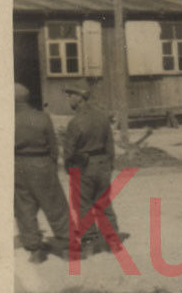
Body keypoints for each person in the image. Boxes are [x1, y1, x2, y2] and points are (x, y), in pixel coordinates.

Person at [63, 80, 124, 253]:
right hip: (103, 165)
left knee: (83, 204)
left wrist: (69, 169)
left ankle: (89, 240)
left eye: (71, 95)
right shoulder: (102, 118)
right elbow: (110, 145)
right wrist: (109, 165)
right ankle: (113, 241)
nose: (69, 99)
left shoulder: (75, 123)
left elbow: (68, 152)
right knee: (104, 203)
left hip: (84, 167)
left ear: (79, 98)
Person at [14, 83, 70, 263]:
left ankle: (35, 250)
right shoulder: (42, 117)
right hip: (42, 163)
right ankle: (67, 247)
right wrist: (51, 166)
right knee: (56, 205)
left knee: (24, 209)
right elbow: (53, 146)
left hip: (18, 165)